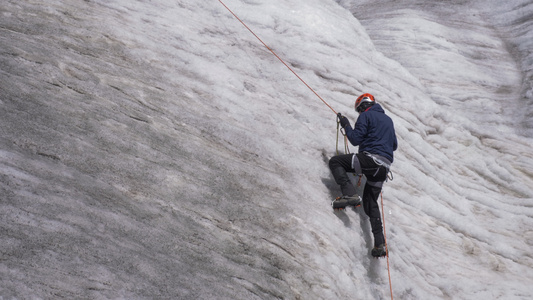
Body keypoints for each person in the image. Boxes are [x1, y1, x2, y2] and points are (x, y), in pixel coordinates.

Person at [329, 93, 398, 258]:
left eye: (359, 109)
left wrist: (346, 124)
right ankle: (379, 242)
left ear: (363, 106)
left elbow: (355, 139)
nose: (359, 113)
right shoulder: (388, 120)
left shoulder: (366, 116)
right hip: (383, 169)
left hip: (370, 160)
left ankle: (350, 194)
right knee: (370, 202)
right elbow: (393, 145)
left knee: (335, 162)